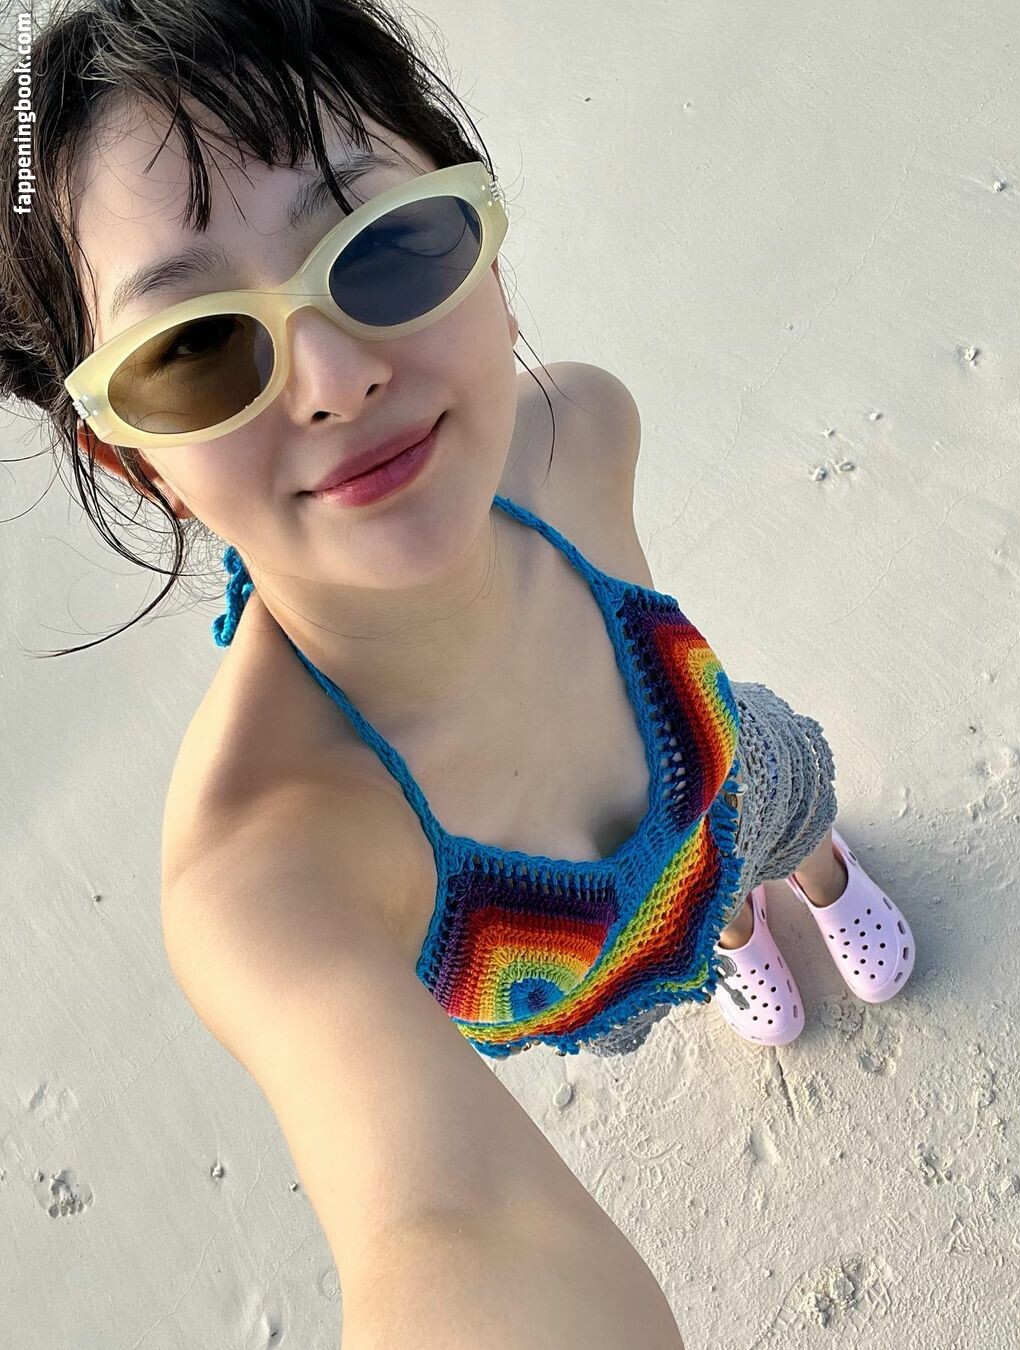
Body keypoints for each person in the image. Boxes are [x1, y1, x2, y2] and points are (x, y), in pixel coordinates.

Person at [0, 0, 914, 1344]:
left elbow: (670, 652)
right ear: (132, 456)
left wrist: (765, 836)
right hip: (595, 980)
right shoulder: (268, 868)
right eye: (194, 349)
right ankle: (733, 932)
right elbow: (448, 1227)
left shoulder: (580, 430)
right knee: (722, 908)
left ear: (487, 249)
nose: (330, 377)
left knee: (785, 822)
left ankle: (817, 881)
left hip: (740, 775)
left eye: (380, 243)